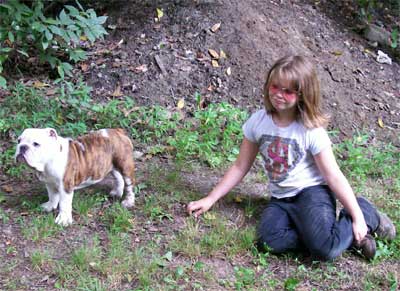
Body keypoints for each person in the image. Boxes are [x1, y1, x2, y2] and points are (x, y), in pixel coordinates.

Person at [186, 55, 396, 261]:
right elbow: (240, 166)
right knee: (268, 242)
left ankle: (367, 213)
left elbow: (333, 176)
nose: (278, 94)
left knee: (325, 251)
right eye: (275, 86)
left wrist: (357, 217)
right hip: (281, 198)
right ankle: (321, 235)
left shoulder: (310, 130)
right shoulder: (258, 122)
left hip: (312, 194)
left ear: (303, 94)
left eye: (288, 91)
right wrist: (211, 198)